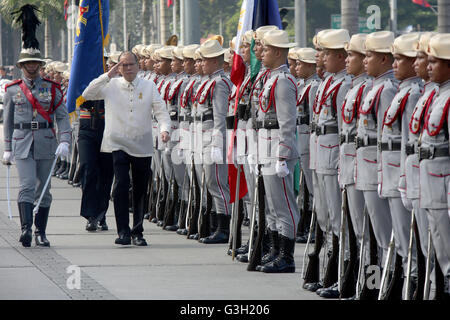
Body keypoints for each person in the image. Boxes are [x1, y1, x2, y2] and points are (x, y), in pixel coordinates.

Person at [82, 51, 171, 246]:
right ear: (118, 68)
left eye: (131, 64)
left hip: (142, 143)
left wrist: (165, 130)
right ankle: (123, 231)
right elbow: (86, 94)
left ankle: (137, 231)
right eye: (124, 65)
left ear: (138, 66)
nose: (128, 68)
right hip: (117, 142)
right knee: (121, 185)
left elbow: (161, 111)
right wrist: (108, 75)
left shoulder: (149, 86)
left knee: (139, 189)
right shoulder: (110, 85)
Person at [2, 4, 71, 248]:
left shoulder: (52, 88)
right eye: (27, 63)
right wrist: (7, 147)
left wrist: (64, 140)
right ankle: (25, 230)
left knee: (45, 189)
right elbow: (8, 121)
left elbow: (62, 116)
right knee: (27, 186)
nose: (31, 67)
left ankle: (41, 231)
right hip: (22, 142)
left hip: (45, 141)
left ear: (40, 65)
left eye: (35, 63)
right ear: (22, 66)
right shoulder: (12, 90)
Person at [378, 33, 423, 299]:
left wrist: (406, 177)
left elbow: (410, 140)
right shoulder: (402, 91)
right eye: (394, 59)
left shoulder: (411, 93)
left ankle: (412, 283)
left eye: (400, 60)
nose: (395, 65)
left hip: (405, 171)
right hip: (391, 168)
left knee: (409, 240)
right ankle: (399, 283)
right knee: (395, 237)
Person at [252, 29, 300, 273]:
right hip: (264, 145)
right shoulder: (269, 77)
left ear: (279, 52)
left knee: (284, 206)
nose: (261, 53)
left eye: (267, 49)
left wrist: (283, 154)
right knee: (271, 205)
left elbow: (287, 122)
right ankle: (273, 249)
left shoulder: (283, 81)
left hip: (276, 149)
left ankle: (286, 255)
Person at [355, 31, 397, 299]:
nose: (363, 60)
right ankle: (373, 285)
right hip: (364, 165)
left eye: (368, 56)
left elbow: (386, 138)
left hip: (377, 167)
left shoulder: (386, 90)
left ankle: (386, 286)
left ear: (384, 59)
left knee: (384, 236)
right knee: (369, 233)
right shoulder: (374, 87)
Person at [401, 32, 438, 299]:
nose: (418, 64)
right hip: (416, 173)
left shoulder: (429, 94)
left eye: (423, 59)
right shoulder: (424, 94)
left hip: (435, 178)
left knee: (436, 243)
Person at [338, 33, 373, 299]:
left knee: (370, 234)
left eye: (353, 55)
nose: (347, 59)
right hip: (351, 161)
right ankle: (359, 283)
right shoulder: (355, 87)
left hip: (369, 165)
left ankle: (370, 286)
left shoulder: (376, 89)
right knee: (358, 230)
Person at [419, 33, 450, 300]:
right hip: (431, 181)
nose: (428, 67)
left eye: (434, 62)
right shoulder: (437, 94)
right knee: (439, 245)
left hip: (443, 185)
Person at [194, 39, 233, 244]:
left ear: (216, 61)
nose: (201, 63)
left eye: (205, 60)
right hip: (203, 136)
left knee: (217, 182)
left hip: (213, 137)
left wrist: (218, 142)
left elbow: (220, 115)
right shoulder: (209, 81)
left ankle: (223, 228)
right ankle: (215, 224)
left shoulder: (220, 82)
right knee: (209, 182)